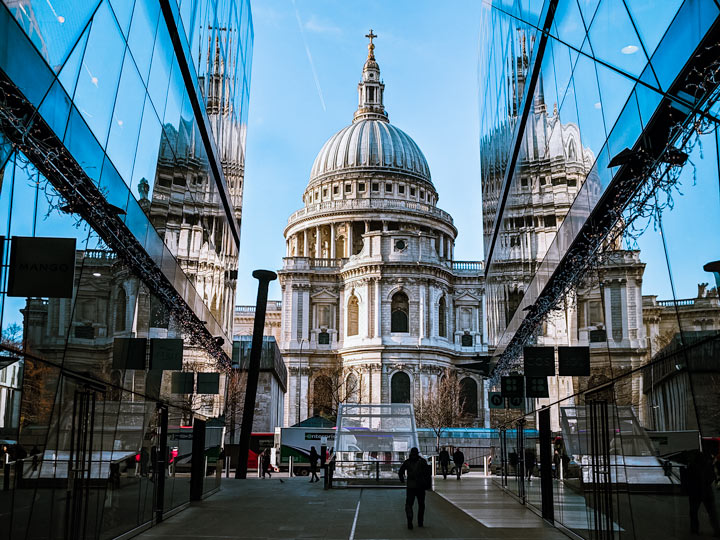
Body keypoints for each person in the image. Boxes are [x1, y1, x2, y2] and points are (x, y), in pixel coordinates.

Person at [685, 451, 720, 536]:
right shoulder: (708, 466)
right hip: (707, 492)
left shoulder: (691, 467)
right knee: (712, 512)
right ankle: (717, 530)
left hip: (695, 493)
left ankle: (694, 530)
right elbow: (712, 477)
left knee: (693, 512)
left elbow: (687, 479)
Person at [399, 447, 431, 530]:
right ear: (417, 453)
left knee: (409, 504)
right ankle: (420, 522)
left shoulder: (407, 462)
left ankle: (410, 519)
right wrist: (428, 486)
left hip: (410, 486)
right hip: (420, 486)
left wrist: (402, 479)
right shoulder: (423, 461)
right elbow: (427, 474)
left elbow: (400, 471)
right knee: (421, 504)